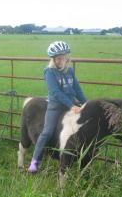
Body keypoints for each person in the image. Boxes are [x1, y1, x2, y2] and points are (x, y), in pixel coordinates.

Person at [28, 41, 87, 173]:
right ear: (53, 59)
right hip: (55, 107)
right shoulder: (49, 72)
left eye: (63, 58)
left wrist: (85, 103)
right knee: (47, 132)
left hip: (71, 104)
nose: (61, 61)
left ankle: (80, 157)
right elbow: (55, 92)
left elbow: (77, 89)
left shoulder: (70, 71)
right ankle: (34, 162)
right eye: (58, 58)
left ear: (67, 58)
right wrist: (71, 106)